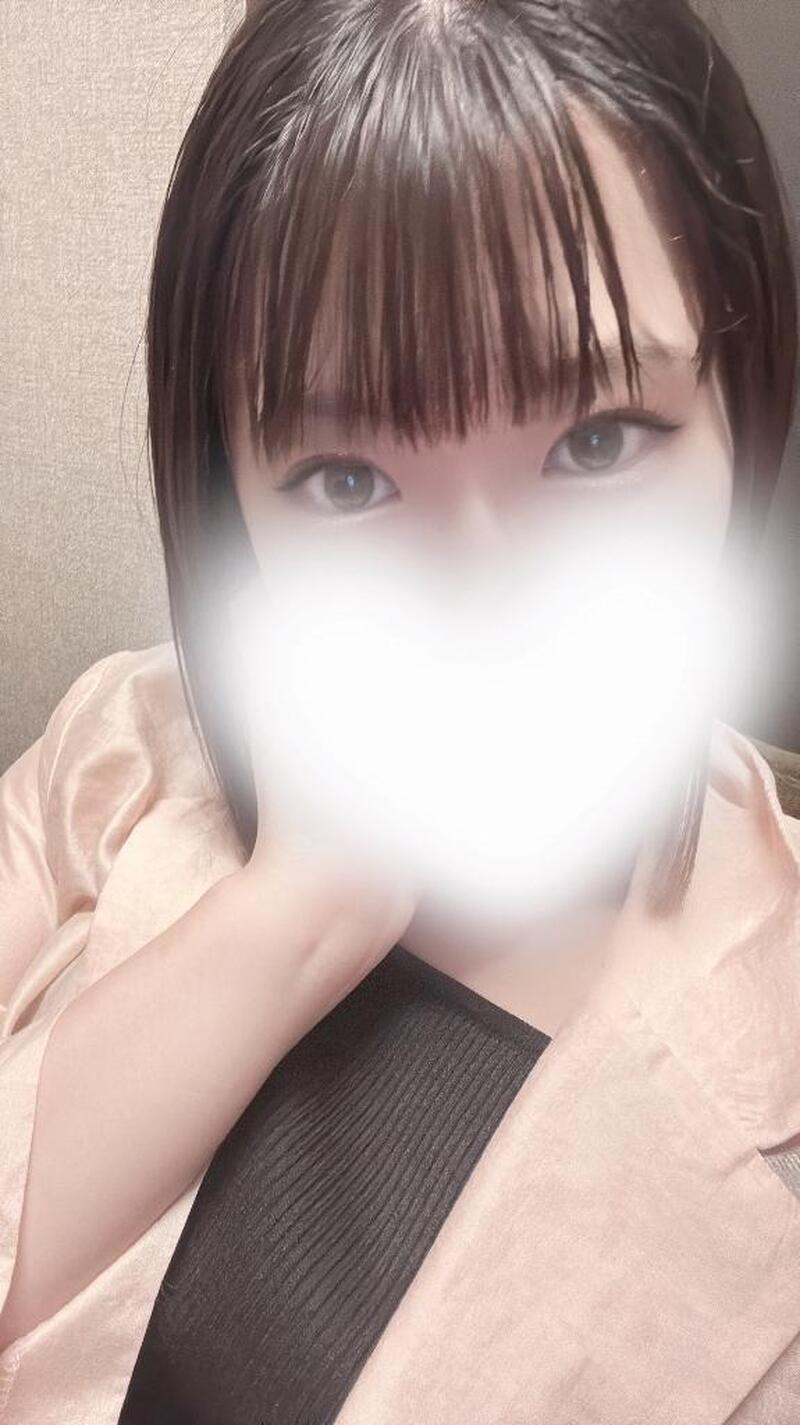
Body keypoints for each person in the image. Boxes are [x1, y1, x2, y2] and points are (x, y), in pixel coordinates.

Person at [1, 1, 800, 1420]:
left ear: (747, 414)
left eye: (597, 441)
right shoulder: (111, 755)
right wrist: (297, 913)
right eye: (349, 479)